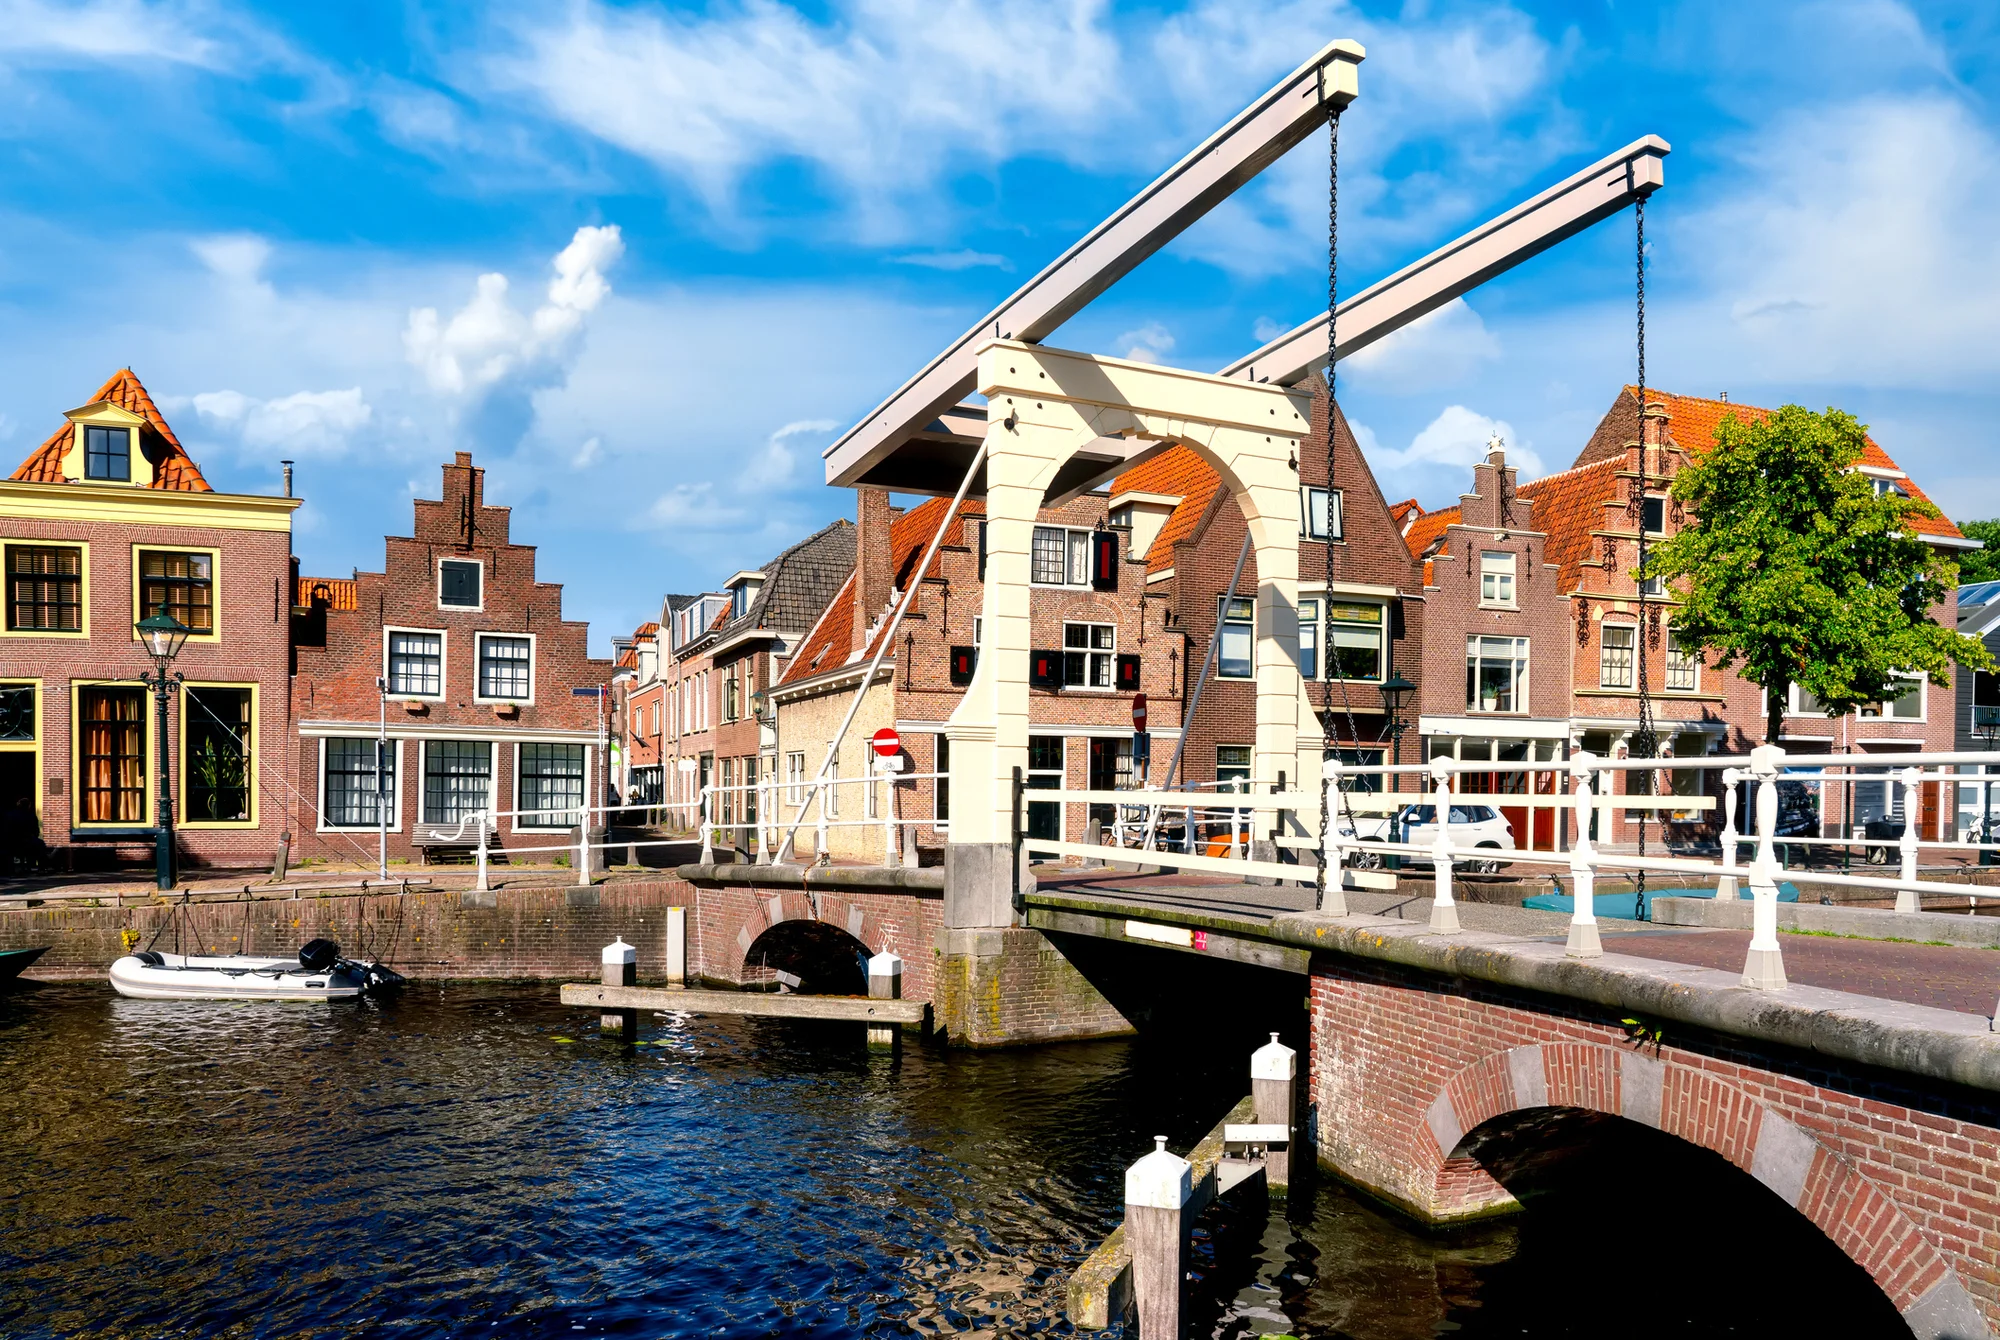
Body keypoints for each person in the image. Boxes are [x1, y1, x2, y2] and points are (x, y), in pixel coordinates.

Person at [1, 796, 44, 875]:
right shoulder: (31, 815)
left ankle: (11, 869)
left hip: (12, 842)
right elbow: (36, 830)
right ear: (28, 805)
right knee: (40, 844)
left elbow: (6, 829)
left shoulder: (10, 815)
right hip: (27, 841)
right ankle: (40, 868)